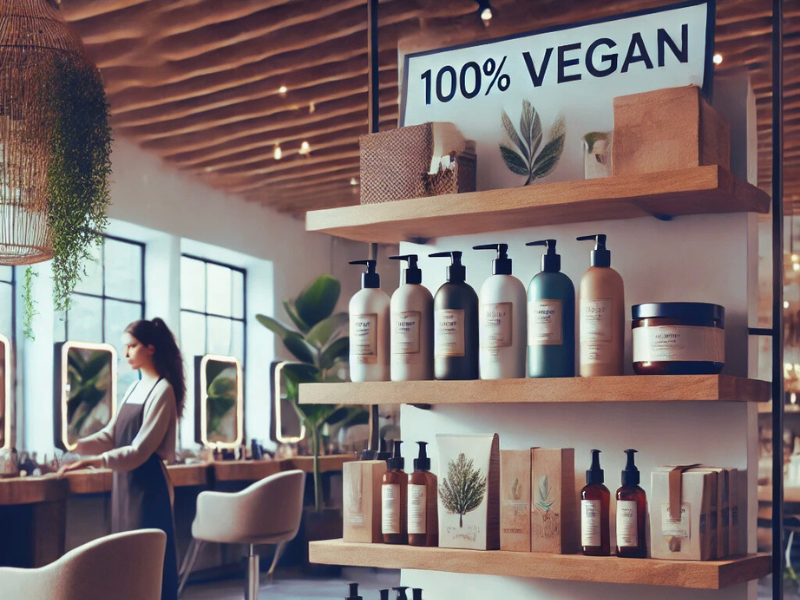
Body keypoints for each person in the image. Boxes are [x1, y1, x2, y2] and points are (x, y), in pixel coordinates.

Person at [59, 318, 185, 600]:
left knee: (148, 562)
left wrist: (95, 462)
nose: (126, 353)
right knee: (124, 557)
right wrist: (75, 444)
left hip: (148, 486)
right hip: (124, 482)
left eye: (132, 346)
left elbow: (140, 451)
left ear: (150, 348)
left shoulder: (163, 390)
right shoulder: (134, 388)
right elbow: (110, 435)